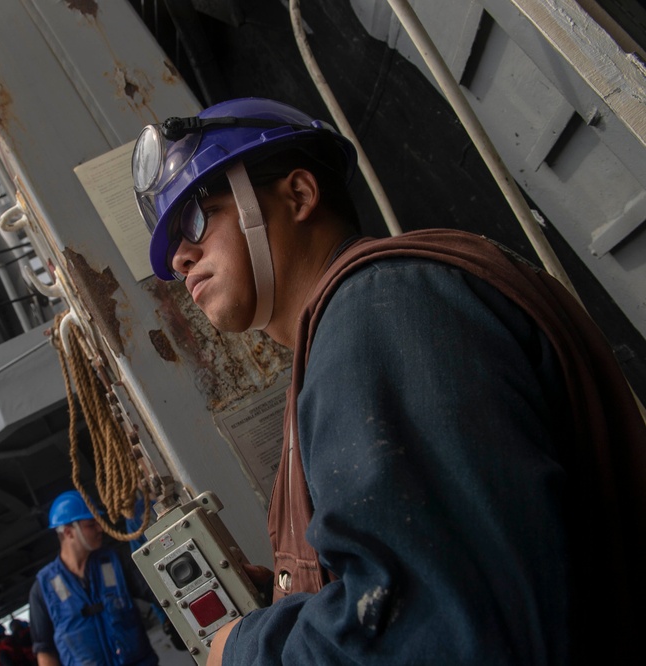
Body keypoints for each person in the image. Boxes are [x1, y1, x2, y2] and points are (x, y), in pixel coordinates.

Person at [132, 97, 646, 664]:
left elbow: (435, 628)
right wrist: (290, 602)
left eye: (198, 218)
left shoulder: (381, 311)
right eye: (173, 244)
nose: (180, 259)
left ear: (298, 195)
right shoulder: (350, 335)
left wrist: (249, 651)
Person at [28, 490, 159, 666]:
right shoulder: (43, 588)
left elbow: (157, 594)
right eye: (91, 524)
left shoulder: (116, 562)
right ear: (68, 532)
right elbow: (45, 652)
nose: (100, 528)